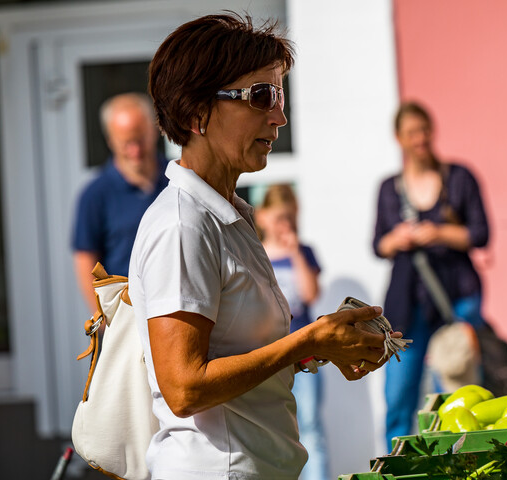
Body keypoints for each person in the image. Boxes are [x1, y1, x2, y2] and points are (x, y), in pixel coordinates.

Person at [130, 14, 400, 479]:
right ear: (197, 112)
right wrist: (306, 340)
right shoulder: (184, 224)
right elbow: (184, 388)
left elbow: (239, 356)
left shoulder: (225, 216)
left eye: (279, 96)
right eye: (261, 97)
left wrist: (321, 348)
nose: (279, 116)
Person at [374, 101, 490, 447]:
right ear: (399, 138)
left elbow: (481, 234)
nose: (420, 139)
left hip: (456, 299)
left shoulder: (459, 178)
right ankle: (395, 467)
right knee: (398, 397)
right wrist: (397, 240)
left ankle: (464, 460)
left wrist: (437, 233)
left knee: (459, 394)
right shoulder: (389, 188)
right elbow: (378, 244)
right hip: (406, 306)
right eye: (412, 133)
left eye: (424, 130)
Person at [254, 184, 328, 480]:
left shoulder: (305, 252)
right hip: (269, 353)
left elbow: (310, 294)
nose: (285, 224)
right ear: (261, 217)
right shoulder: (256, 253)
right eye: (278, 217)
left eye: (290, 217)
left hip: (305, 354)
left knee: (309, 425)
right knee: (270, 428)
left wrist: (295, 251)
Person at [72, 92, 168, 313]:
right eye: (126, 143)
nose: (135, 151)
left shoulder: (178, 179)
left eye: (140, 139)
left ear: (154, 131)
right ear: (110, 140)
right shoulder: (95, 194)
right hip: (126, 316)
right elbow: (86, 262)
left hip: (180, 307)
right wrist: (104, 318)